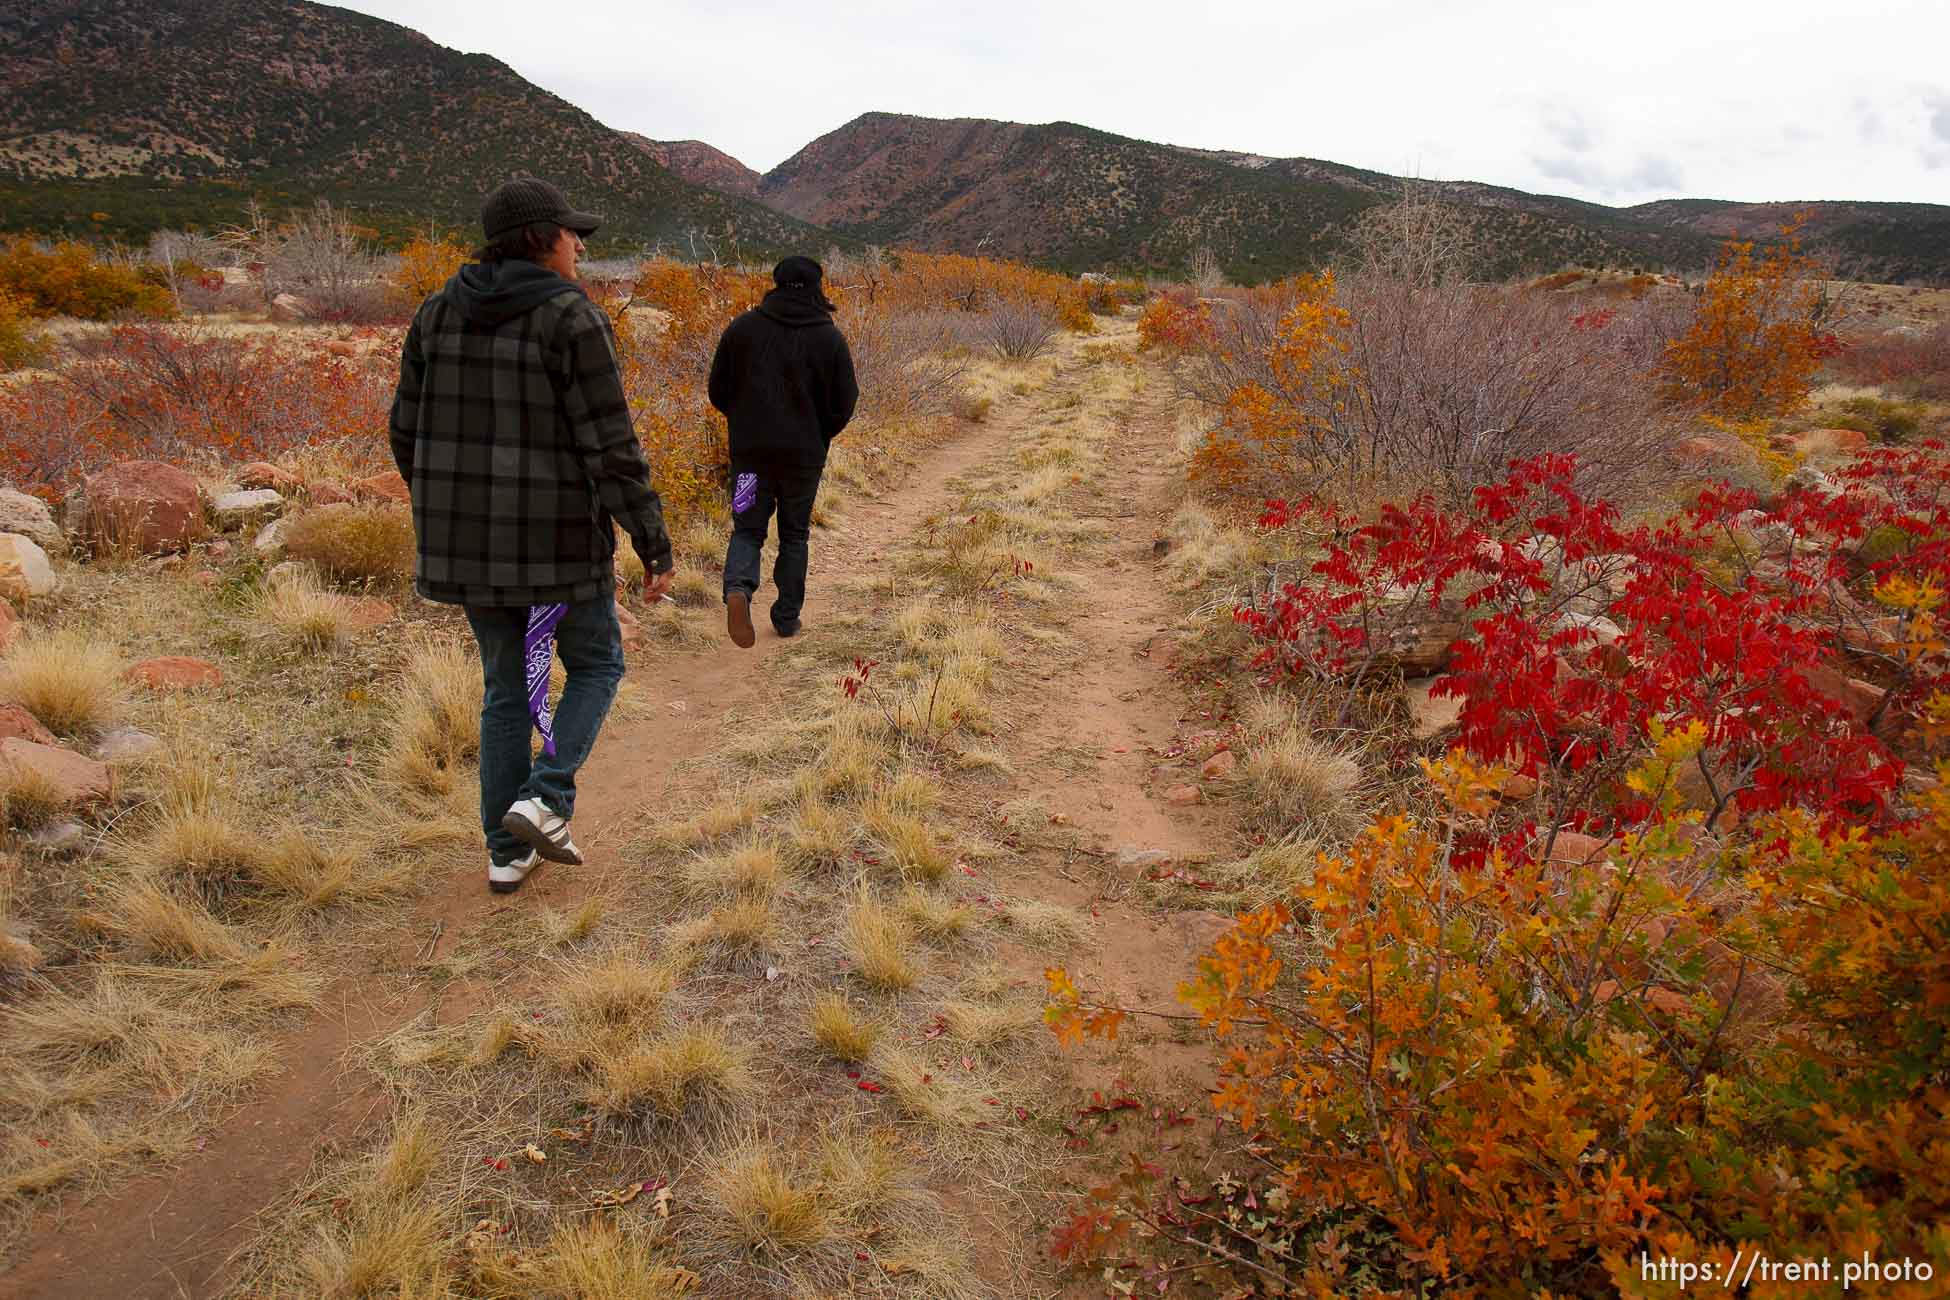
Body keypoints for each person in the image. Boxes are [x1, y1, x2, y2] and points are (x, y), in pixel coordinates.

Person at [390, 176, 675, 894]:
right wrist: (652, 541)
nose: (581, 244)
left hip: (467, 548)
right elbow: (611, 444)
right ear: (539, 239)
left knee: (506, 692)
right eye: (572, 232)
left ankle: (504, 850)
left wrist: (444, 508)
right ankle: (545, 800)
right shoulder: (570, 318)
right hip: (556, 546)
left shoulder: (436, 312)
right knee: (598, 664)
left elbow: (405, 430)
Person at [707, 255, 858, 647]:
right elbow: (845, 402)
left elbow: (718, 390)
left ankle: (738, 587)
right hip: (803, 459)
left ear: (775, 283)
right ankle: (786, 617)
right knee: (794, 534)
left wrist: (743, 422)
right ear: (817, 287)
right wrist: (820, 432)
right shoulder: (830, 338)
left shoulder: (743, 328)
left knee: (747, 528)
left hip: (749, 455)